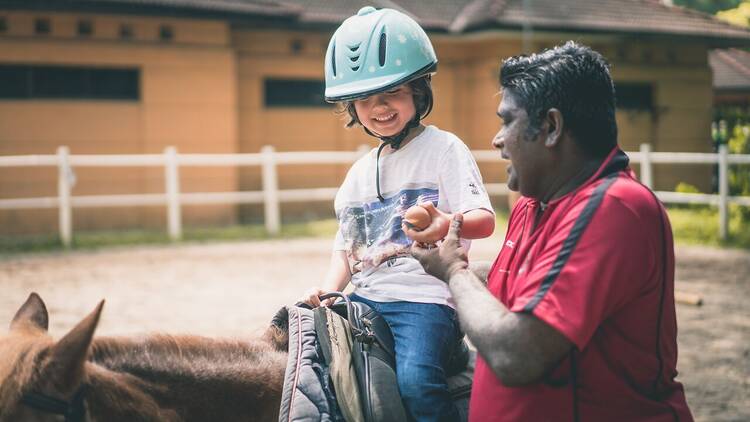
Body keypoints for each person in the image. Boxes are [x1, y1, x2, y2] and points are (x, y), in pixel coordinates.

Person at [412, 41, 694, 421]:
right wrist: (432, 267)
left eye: (507, 120)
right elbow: (511, 285)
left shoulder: (614, 208)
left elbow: (517, 354)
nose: (497, 139)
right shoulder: (536, 201)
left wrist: (454, 272)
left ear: (551, 127)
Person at [299, 6, 495, 422]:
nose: (379, 108)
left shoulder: (444, 148)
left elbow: (483, 218)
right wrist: (327, 290)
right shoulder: (356, 174)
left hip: (424, 299)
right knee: (318, 378)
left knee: (416, 382)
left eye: (391, 94)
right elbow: (346, 248)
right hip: (366, 297)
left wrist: (446, 224)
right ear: (353, 109)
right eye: (365, 100)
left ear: (419, 92)